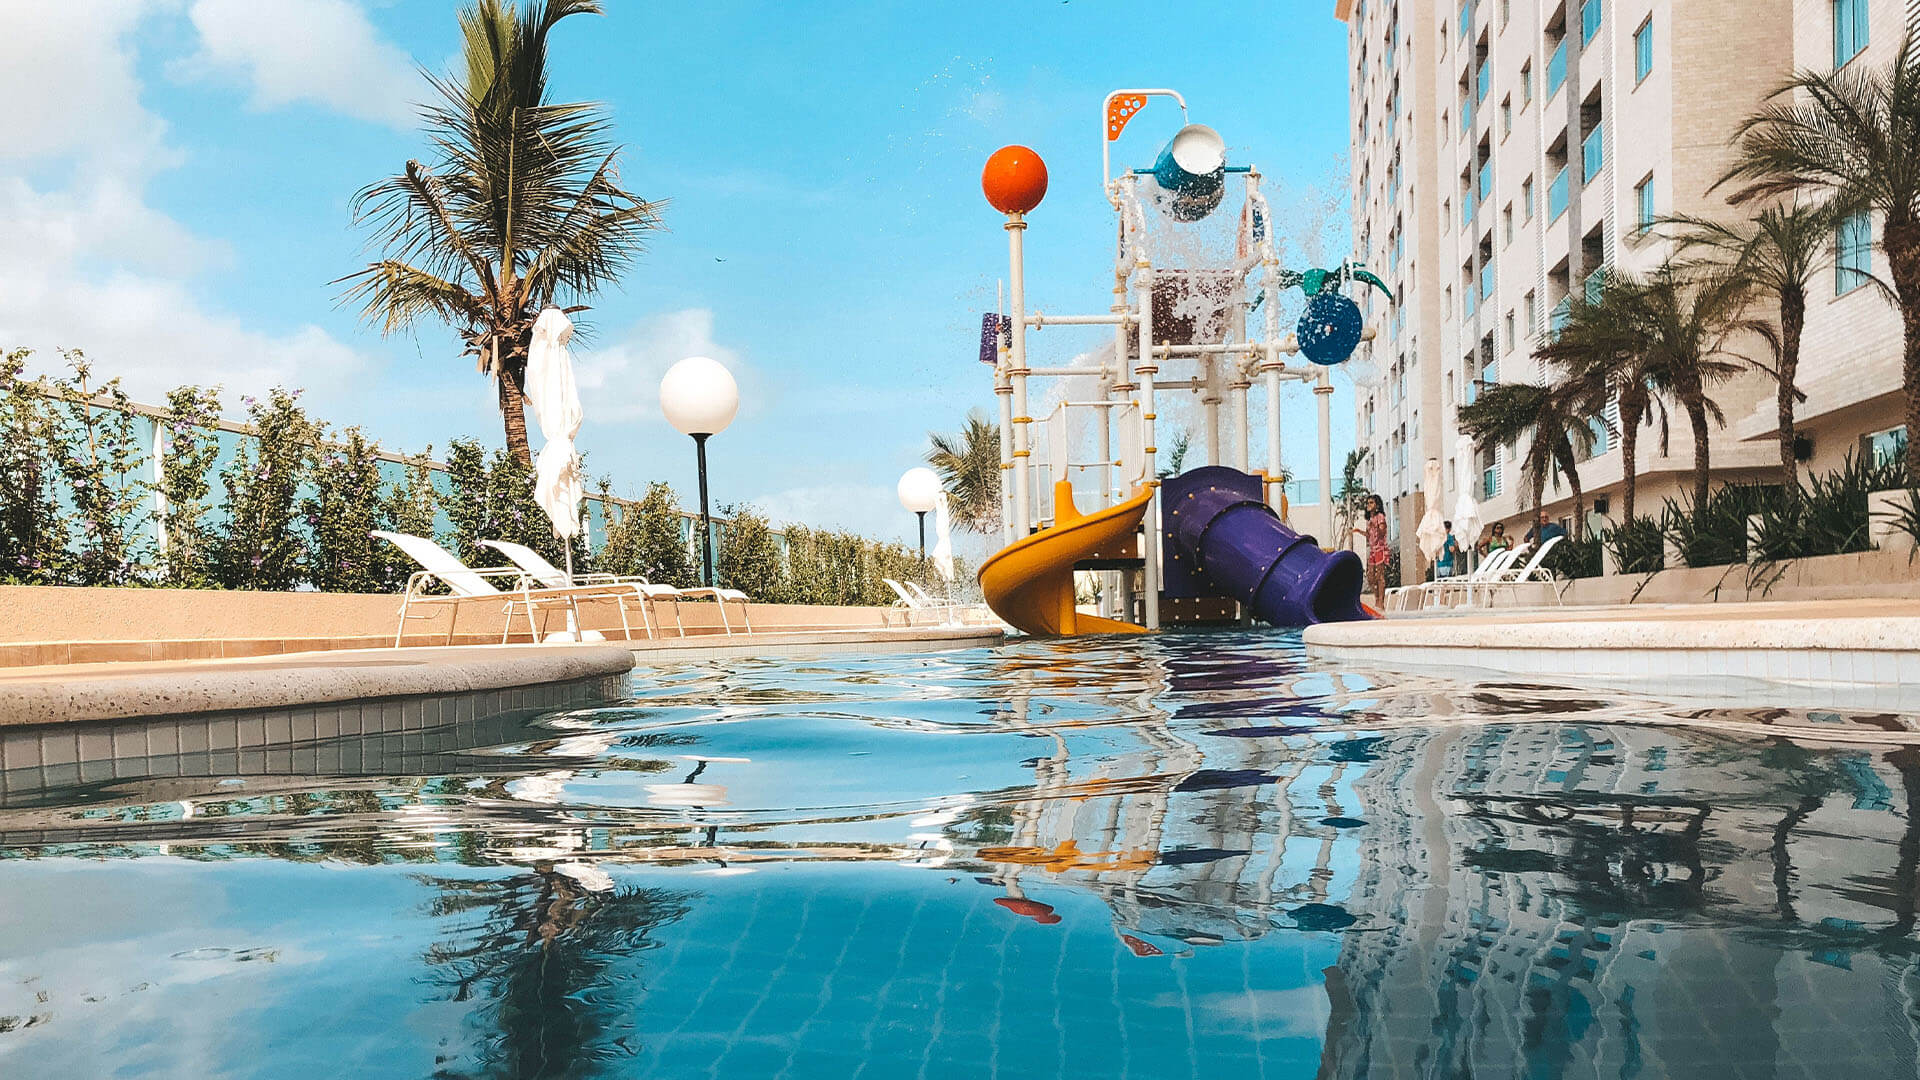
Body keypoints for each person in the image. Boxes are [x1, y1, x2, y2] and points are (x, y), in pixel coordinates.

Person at [1353, 494, 1389, 609]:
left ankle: (1380, 602)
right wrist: (1359, 531)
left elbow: (1382, 533)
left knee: (1380, 576)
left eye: (1371, 503)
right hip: (1373, 551)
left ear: (1377, 505)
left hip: (1381, 549)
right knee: (1370, 577)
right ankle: (1377, 597)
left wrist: (1376, 526)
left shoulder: (1380, 517)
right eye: (1368, 503)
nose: (1369, 505)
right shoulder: (1370, 520)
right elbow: (1370, 536)